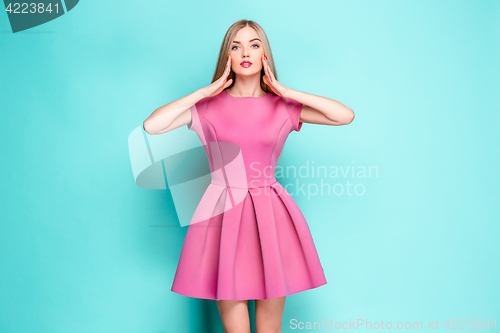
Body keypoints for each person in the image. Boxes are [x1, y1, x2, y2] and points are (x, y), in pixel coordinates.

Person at [143, 19, 354, 333]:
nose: (245, 52)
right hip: (222, 215)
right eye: (236, 45)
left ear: (264, 55)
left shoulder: (282, 107)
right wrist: (205, 90)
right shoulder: (207, 107)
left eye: (254, 45)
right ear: (226, 55)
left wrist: (284, 91)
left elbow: (344, 116)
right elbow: (152, 126)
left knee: (270, 329)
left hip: (271, 216)